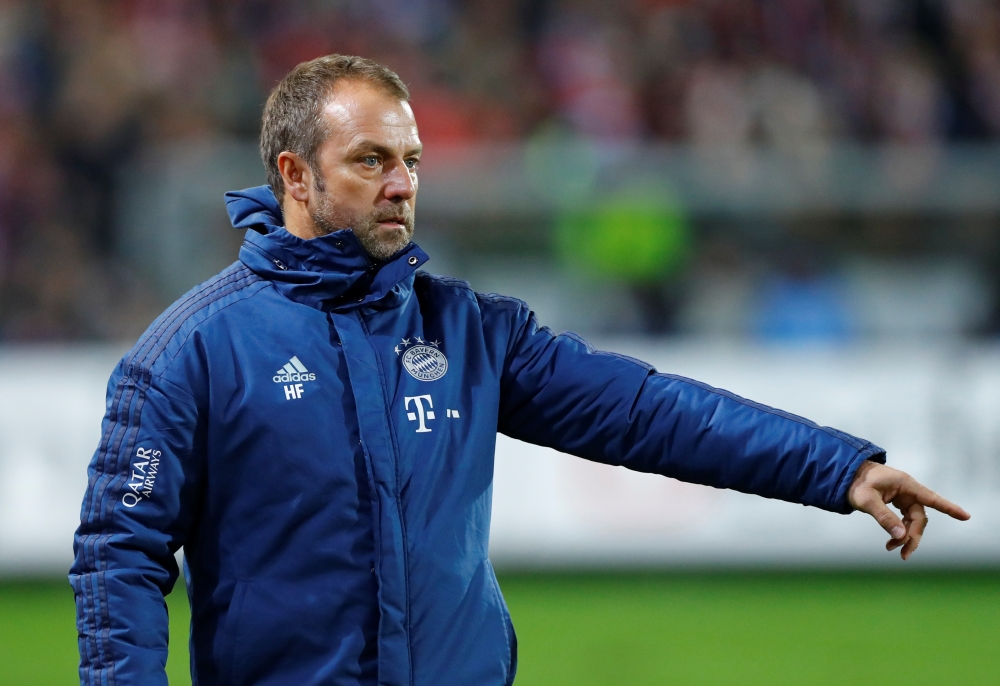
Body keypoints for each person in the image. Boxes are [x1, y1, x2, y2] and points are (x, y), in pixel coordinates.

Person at [70, 55, 969, 686]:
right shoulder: (191, 353)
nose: (402, 185)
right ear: (294, 177)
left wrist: (836, 468)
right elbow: (119, 556)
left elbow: (650, 411)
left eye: (411, 161)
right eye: (371, 161)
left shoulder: (467, 332)